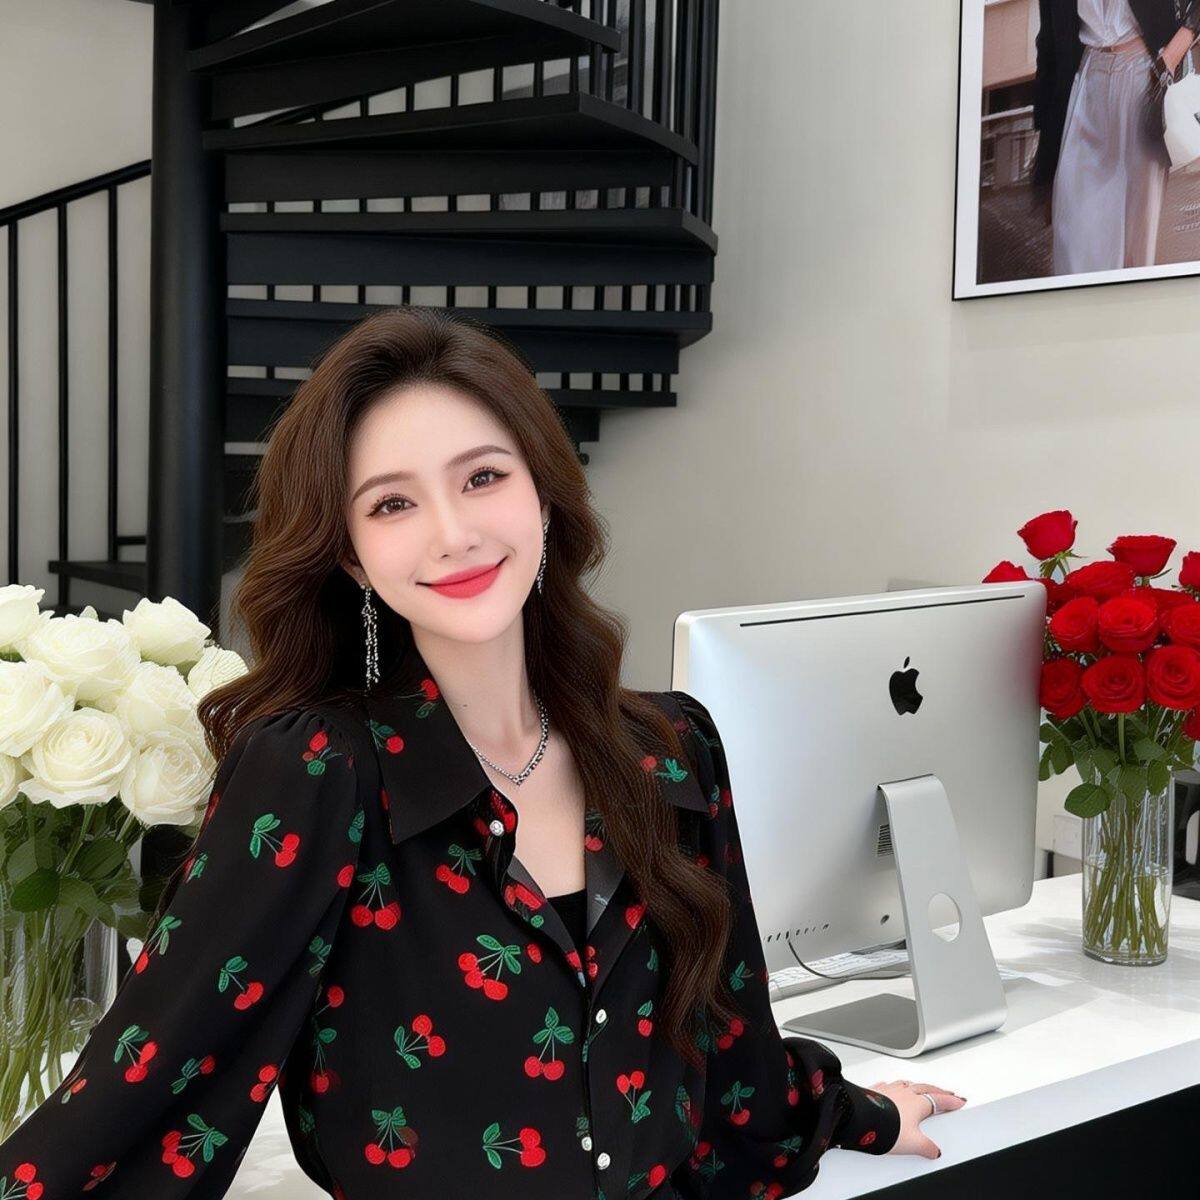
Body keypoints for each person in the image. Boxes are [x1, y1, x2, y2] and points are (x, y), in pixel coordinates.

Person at [0, 307, 965, 1198]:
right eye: (392, 505)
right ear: (350, 555)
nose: (454, 534)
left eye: (483, 478)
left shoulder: (670, 752)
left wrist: (858, 1115)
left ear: (542, 493)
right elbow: (151, 1076)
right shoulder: (319, 773)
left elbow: (732, 1055)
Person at [1032, 0, 1200, 273]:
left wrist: (1171, 57)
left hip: (1144, 81)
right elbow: (1048, 48)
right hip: (1088, 84)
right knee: (1075, 240)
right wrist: (1045, 164)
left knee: (1136, 249)